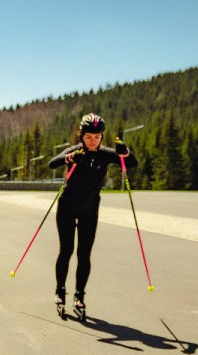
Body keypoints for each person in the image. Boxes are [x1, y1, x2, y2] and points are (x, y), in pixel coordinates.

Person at [47, 113, 137, 316]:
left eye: (97, 137)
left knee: (84, 255)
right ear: (81, 135)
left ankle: (79, 296)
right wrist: (70, 158)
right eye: (88, 137)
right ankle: (60, 291)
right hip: (67, 207)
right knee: (66, 250)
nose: (93, 141)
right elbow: (53, 163)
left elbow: (132, 164)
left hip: (90, 209)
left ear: (102, 137)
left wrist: (125, 153)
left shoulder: (105, 154)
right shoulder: (76, 151)